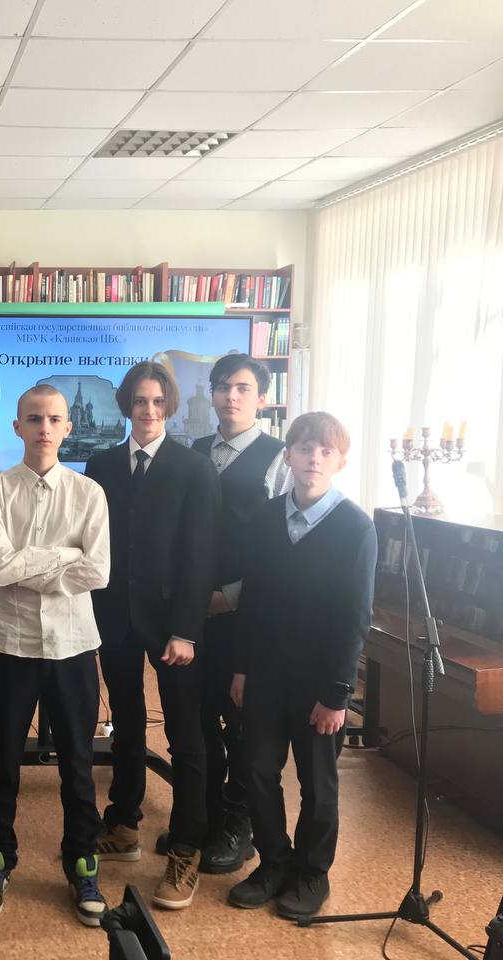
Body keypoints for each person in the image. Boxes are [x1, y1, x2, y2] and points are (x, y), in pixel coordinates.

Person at [0, 386, 111, 925]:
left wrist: (28, 562)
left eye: (53, 419)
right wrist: (63, 557)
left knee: (78, 765)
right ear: (17, 427)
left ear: (68, 427)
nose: (44, 428)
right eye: (34, 418)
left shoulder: (89, 493)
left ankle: (82, 863)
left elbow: (98, 571)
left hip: (73, 646)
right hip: (11, 645)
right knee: (2, 762)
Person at [228, 412, 376, 921]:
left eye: (325, 451)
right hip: (265, 674)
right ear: (288, 455)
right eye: (305, 448)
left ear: (340, 462)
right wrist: (242, 668)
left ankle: (312, 871)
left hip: (319, 683)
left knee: (318, 783)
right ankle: (274, 862)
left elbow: (354, 617)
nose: (314, 458)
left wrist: (337, 694)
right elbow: (252, 599)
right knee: (257, 770)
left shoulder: (355, 527)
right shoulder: (267, 517)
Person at [85, 361, 220, 911]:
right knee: (126, 724)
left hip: (173, 626)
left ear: (169, 406)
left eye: (158, 401)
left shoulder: (195, 468)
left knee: (186, 735)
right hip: (116, 617)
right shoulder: (101, 464)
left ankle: (186, 847)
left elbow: (200, 555)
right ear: (127, 406)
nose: (148, 410)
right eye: (140, 401)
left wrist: (186, 629)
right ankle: (123, 824)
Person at [172, 354, 291, 874]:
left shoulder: (280, 458)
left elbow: (282, 545)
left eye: (242, 388)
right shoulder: (192, 451)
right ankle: (206, 816)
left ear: (262, 398)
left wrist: (231, 596)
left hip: (248, 615)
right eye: (222, 387)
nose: (230, 396)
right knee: (197, 717)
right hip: (194, 614)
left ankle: (241, 825)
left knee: (244, 721)